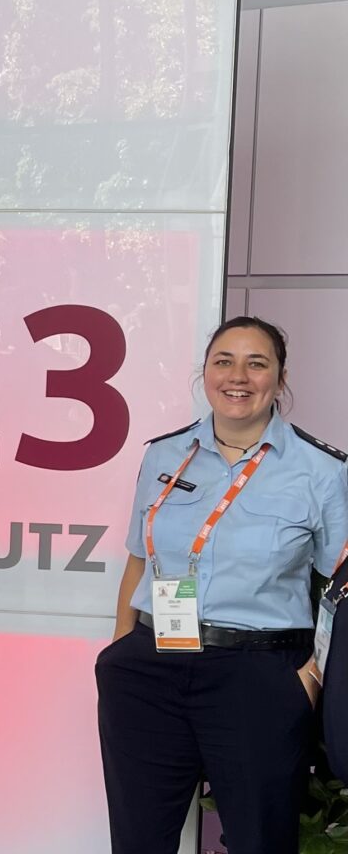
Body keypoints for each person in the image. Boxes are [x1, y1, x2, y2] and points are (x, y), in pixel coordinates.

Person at [96, 315, 348, 854]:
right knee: (138, 841)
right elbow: (139, 558)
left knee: (259, 841)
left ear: (280, 378)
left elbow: (342, 591)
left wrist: (309, 677)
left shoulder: (322, 471)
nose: (238, 376)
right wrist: (120, 647)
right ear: (205, 372)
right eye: (224, 361)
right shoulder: (163, 454)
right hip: (150, 668)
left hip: (257, 676)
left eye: (257, 363)